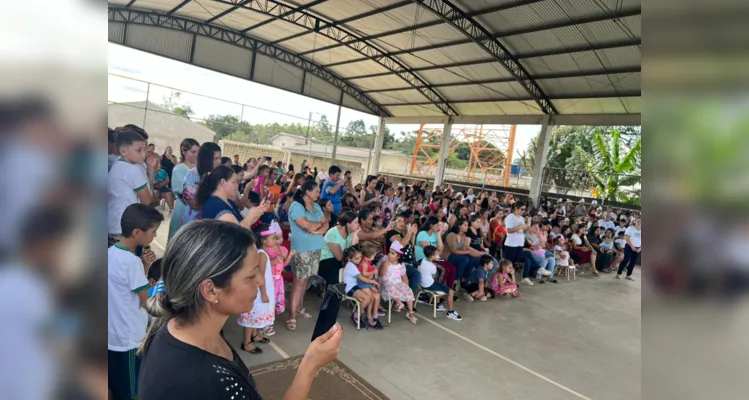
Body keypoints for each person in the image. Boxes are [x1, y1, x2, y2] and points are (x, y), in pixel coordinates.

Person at [137, 220, 343, 399]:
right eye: (251, 274)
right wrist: (310, 366)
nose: (261, 280)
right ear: (210, 290)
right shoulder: (204, 382)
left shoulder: (186, 327)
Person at [108, 204, 163, 400]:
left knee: (113, 383)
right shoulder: (131, 263)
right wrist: (161, 287)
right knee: (131, 391)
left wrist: (145, 267)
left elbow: (127, 291)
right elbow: (148, 302)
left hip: (113, 335)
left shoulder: (111, 253)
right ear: (137, 232)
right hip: (130, 339)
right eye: (153, 231)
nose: (154, 236)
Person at [287, 181, 327, 331]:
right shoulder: (296, 206)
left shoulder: (316, 206)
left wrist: (316, 230)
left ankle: (298, 309)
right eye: (316, 191)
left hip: (315, 248)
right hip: (302, 249)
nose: (319, 194)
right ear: (307, 192)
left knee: (306, 281)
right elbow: (306, 225)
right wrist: (317, 225)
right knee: (298, 282)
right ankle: (291, 316)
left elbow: (326, 223)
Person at [108, 130, 159, 248]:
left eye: (144, 149)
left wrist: (150, 169)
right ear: (123, 151)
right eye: (138, 150)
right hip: (125, 227)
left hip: (114, 223)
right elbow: (147, 201)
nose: (143, 154)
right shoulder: (132, 169)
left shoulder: (118, 163)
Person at [237, 224, 277, 354]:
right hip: (260, 291)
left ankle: (255, 335)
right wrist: (264, 293)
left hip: (262, 290)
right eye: (273, 238)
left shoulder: (262, 253)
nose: (275, 240)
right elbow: (260, 275)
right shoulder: (262, 255)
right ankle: (246, 342)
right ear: (263, 241)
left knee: (257, 315)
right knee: (252, 315)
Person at [197, 166, 266, 229]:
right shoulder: (216, 205)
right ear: (223, 182)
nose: (237, 185)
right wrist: (250, 217)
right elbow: (236, 233)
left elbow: (241, 221)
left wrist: (258, 211)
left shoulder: (228, 201)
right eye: (234, 182)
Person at [181, 142, 221, 230]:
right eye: (215, 158)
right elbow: (195, 205)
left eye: (220, 158)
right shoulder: (192, 175)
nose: (219, 162)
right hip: (194, 224)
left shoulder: (219, 175)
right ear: (206, 159)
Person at [418, 246, 462, 321]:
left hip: (422, 285)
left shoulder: (423, 261)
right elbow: (434, 276)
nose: (437, 256)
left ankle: (438, 304)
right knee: (451, 292)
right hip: (430, 286)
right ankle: (450, 312)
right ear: (432, 256)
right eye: (436, 255)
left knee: (439, 283)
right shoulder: (432, 266)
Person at [168, 138, 199, 240]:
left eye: (198, 152)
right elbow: (183, 191)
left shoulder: (198, 169)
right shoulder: (180, 169)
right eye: (193, 152)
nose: (196, 154)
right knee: (178, 237)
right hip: (183, 206)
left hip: (197, 208)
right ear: (183, 151)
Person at [380, 241, 417, 324]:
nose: (389, 254)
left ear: (398, 256)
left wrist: (406, 288)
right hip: (386, 284)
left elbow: (405, 278)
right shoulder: (386, 262)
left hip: (397, 284)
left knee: (408, 291)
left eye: (392, 253)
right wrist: (384, 266)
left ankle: (410, 313)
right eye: (389, 252)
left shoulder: (401, 265)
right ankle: (398, 302)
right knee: (390, 287)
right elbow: (381, 275)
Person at [319, 211, 358, 286]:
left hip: (344, 259)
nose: (358, 225)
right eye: (356, 222)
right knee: (337, 279)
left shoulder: (352, 233)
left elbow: (355, 252)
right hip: (327, 260)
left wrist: (355, 236)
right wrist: (353, 243)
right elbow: (339, 257)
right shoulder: (332, 233)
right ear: (348, 224)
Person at [342, 245, 376, 329]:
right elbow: (361, 278)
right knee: (367, 298)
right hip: (349, 288)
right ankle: (357, 315)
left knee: (370, 297)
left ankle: (366, 315)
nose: (359, 260)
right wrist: (372, 281)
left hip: (355, 286)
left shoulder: (354, 264)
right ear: (349, 259)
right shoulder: (351, 266)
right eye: (356, 259)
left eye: (360, 257)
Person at [385, 214, 420, 292]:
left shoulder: (403, 234)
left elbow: (411, 245)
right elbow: (402, 244)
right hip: (401, 262)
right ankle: (407, 297)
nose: (401, 223)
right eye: (399, 221)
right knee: (416, 274)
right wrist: (410, 231)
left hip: (410, 260)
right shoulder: (391, 233)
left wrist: (413, 234)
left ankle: (411, 295)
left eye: (403, 222)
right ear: (393, 223)